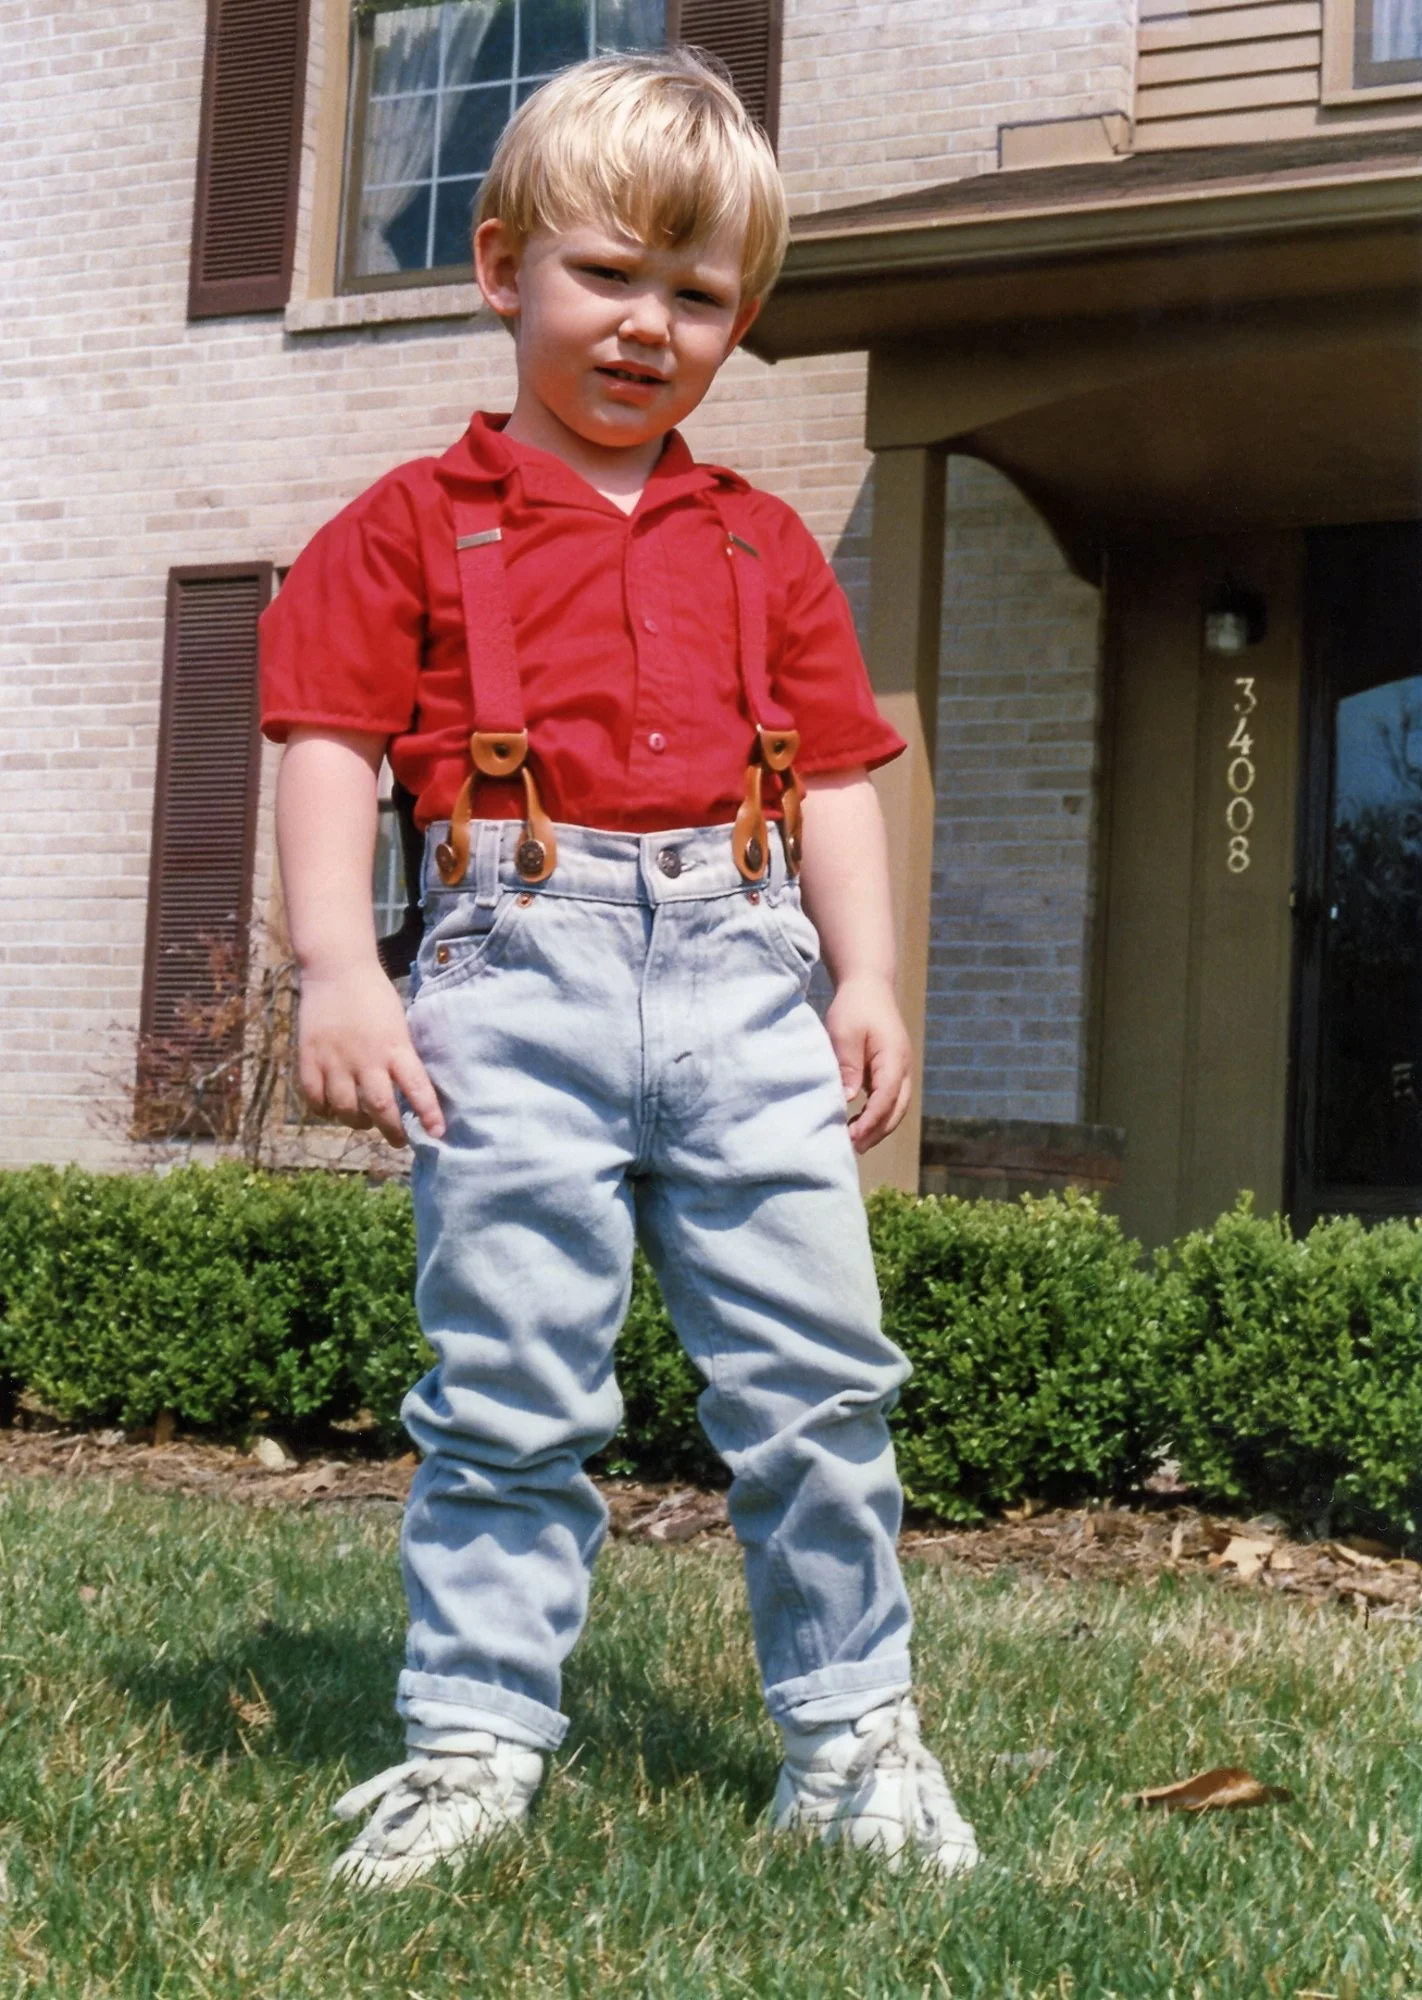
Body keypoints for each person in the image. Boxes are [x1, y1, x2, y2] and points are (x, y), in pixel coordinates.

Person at [260, 48, 978, 1890]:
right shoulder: (407, 528)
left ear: (738, 322)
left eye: (701, 293)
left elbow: (830, 779)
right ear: (501, 269)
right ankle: (472, 1745)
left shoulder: (758, 544)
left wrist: (866, 979)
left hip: (745, 984)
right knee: (509, 1389)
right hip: (512, 970)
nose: (650, 324)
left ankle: (852, 1745)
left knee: (819, 1381)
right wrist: (338, 965)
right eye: (607, 274)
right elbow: (329, 738)